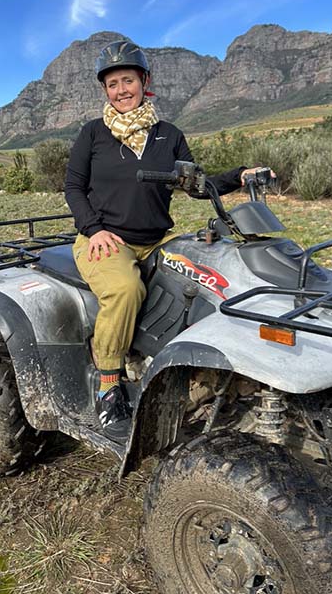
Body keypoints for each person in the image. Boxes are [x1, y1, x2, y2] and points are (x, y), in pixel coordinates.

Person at [65, 40, 268, 442]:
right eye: (112, 84)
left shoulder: (168, 135)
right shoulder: (93, 134)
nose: (121, 90)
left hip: (157, 238)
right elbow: (73, 186)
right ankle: (108, 384)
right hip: (106, 239)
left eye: (128, 80)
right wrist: (93, 228)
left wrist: (239, 174)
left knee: (214, 273)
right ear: (104, 90)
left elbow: (196, 184)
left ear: (145, 82)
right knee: (124, 289)